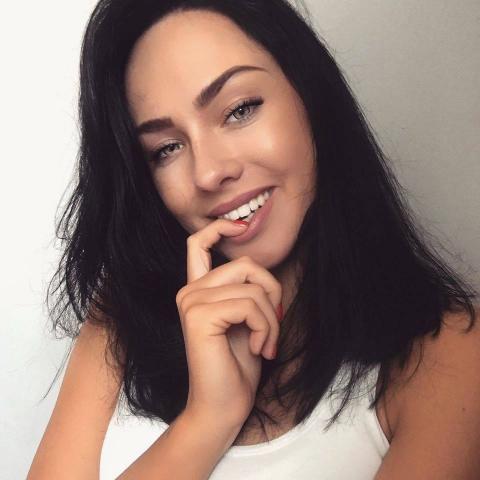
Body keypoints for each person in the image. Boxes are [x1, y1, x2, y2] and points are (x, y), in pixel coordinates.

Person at [28, 1, 480, 479]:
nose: (208, 172)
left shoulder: (447, 355)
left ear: (309, 93)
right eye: (166, 148)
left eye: (239, 110)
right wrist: (208, 420)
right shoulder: (121, 313)